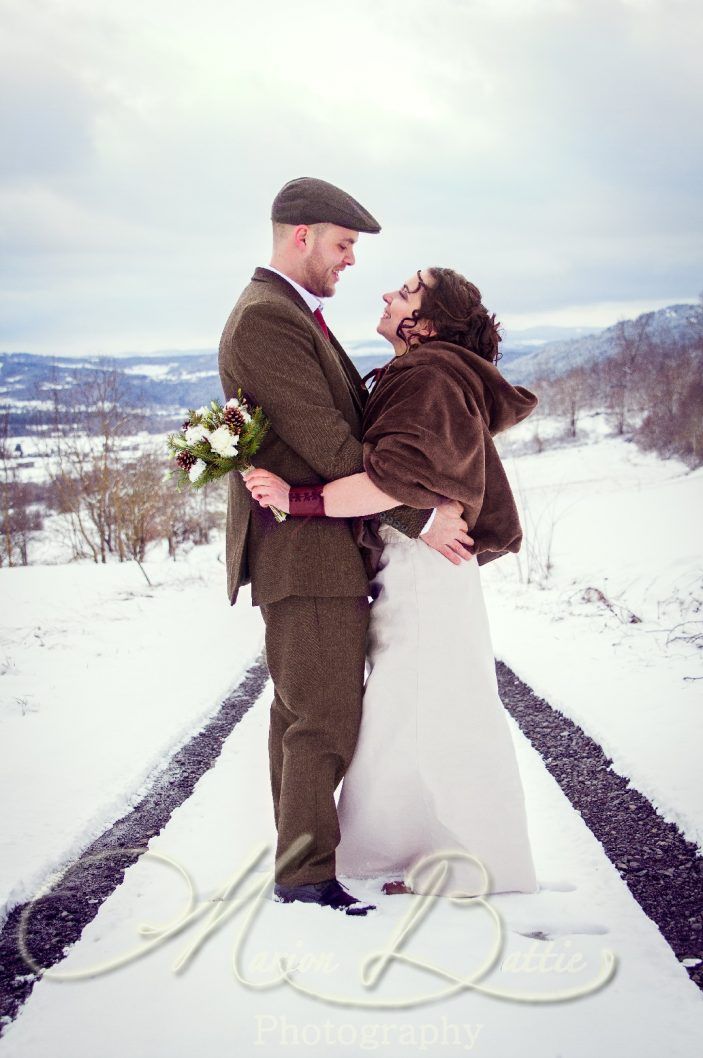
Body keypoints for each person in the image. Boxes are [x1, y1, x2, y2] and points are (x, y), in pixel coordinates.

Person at [218, 179, 474, 917]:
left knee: (302, 713)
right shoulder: (267, 319)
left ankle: (299, 862)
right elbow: (334, 447)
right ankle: (303, 879)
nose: (351, 261)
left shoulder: (293, 314)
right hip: (305, 554)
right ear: (301, 235)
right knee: (322, 718)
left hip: (318, 548)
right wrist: (418, 519)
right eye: (343, 244)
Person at [244, 266, 541, 899]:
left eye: (405, 292)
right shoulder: (432, 373)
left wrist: (298, 500)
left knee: (431, 708)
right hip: (421, 567)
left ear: (425, 324)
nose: (385, 293)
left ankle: (469, 860)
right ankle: (428, 848)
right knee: (412, 711)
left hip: (427, 573)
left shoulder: (427, 375)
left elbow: (388, 480)